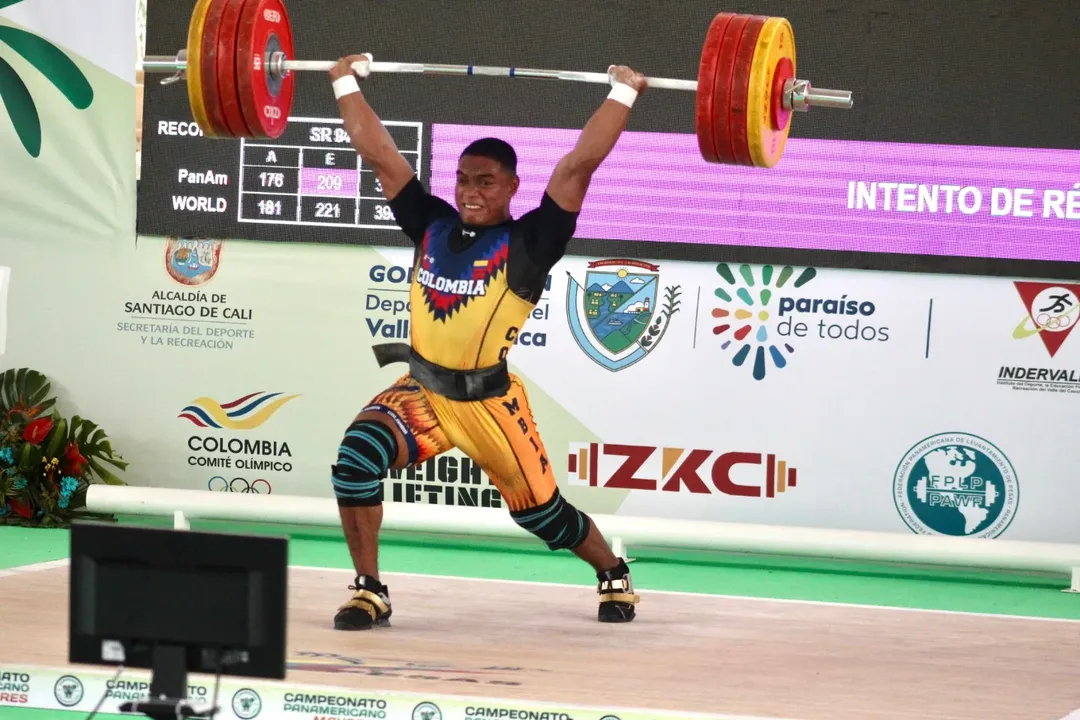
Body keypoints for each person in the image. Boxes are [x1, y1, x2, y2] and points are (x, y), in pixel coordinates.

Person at [326, 53, 646, 630]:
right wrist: (342, 79)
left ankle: (612, 571)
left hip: (490, 406)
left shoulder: (532, 241)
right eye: (464, 179)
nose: (471, 191)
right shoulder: (431, 224)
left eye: (486, 182)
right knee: (355, 459)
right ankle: (370, 589)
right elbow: (375, 150)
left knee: (543, 516)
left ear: (511, 186)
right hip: (420, 394)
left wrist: (623, 92)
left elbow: (578, 166)